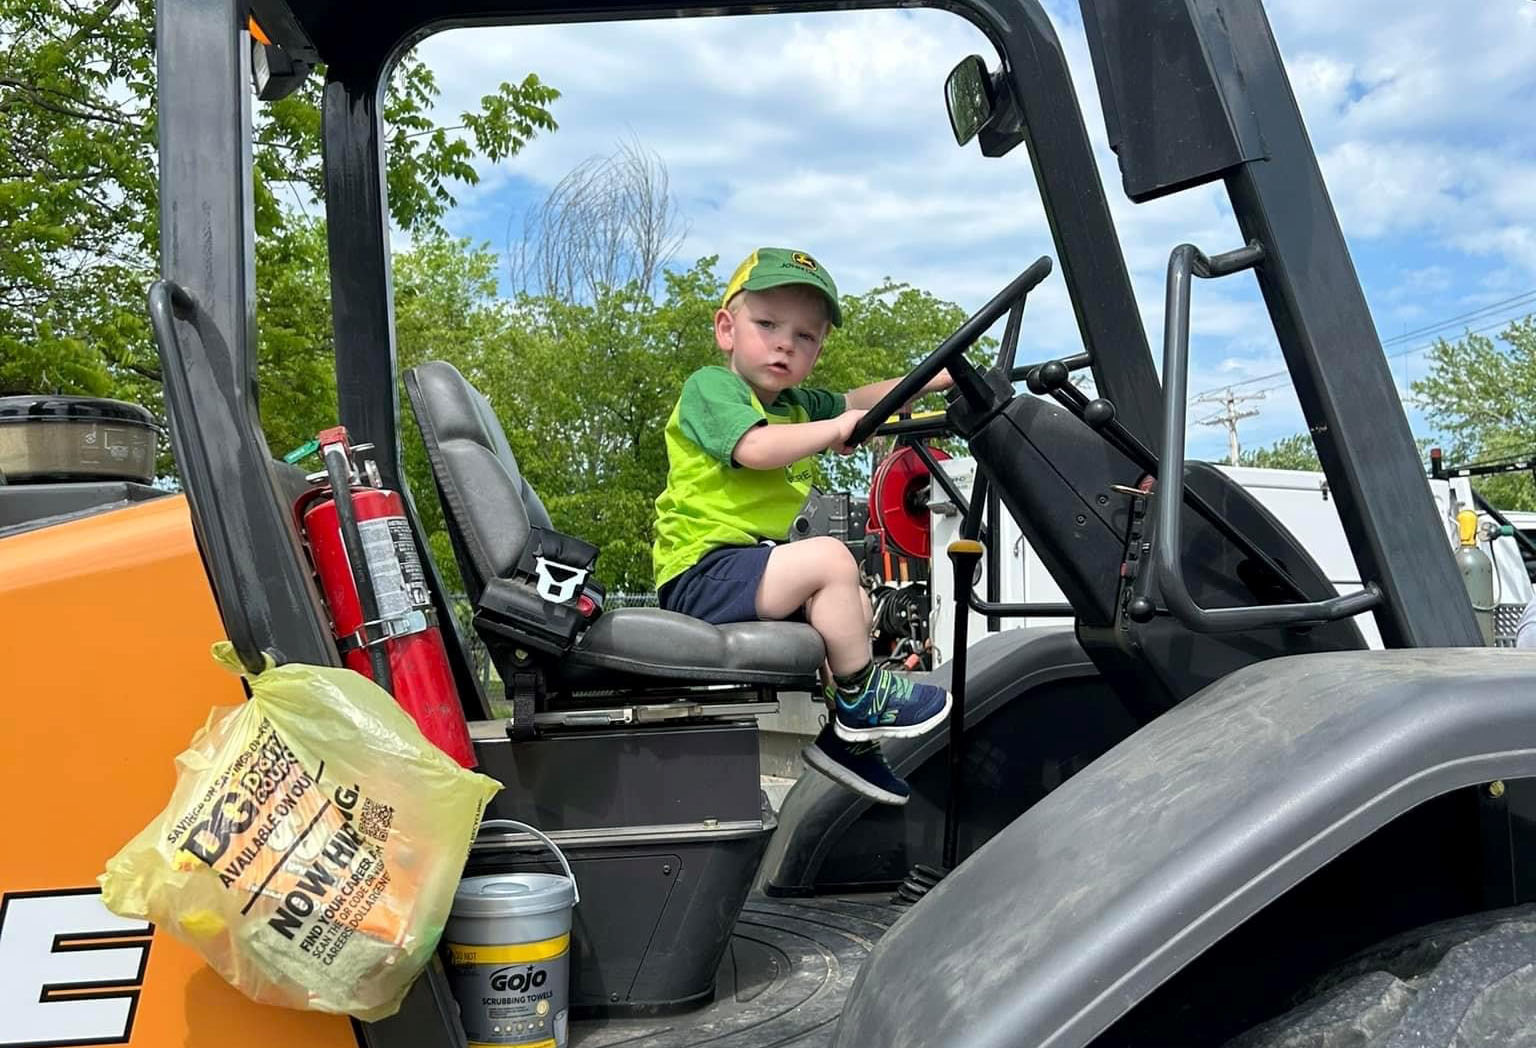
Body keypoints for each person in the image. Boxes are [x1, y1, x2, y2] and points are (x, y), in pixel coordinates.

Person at [652, 247, 953, 806]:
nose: (785, 343)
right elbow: (755, 447)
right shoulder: (711, 390)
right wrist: (835, 427)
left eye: (806, 336)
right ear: (727, 328)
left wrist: (933, 379)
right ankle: (863, 699)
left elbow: (862, 402)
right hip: (702, 570)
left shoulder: (795, 403)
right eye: (767, 325)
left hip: (749, 566)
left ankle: (848, 740)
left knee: (857, 606)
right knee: (830, 559)